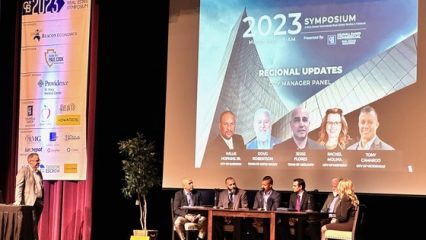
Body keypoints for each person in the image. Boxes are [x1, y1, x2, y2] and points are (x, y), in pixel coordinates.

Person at [14, 153, 44, 240]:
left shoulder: (39, 173)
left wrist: (42, 201)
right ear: (30, 161)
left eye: (39, 160)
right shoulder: (24, 170)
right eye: (37, 160)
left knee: (35, 224)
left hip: (39, 203)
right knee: (32, 225)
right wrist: (18, 202)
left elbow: (40, 187)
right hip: (29, 203)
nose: (38, 162)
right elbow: (19, 186)